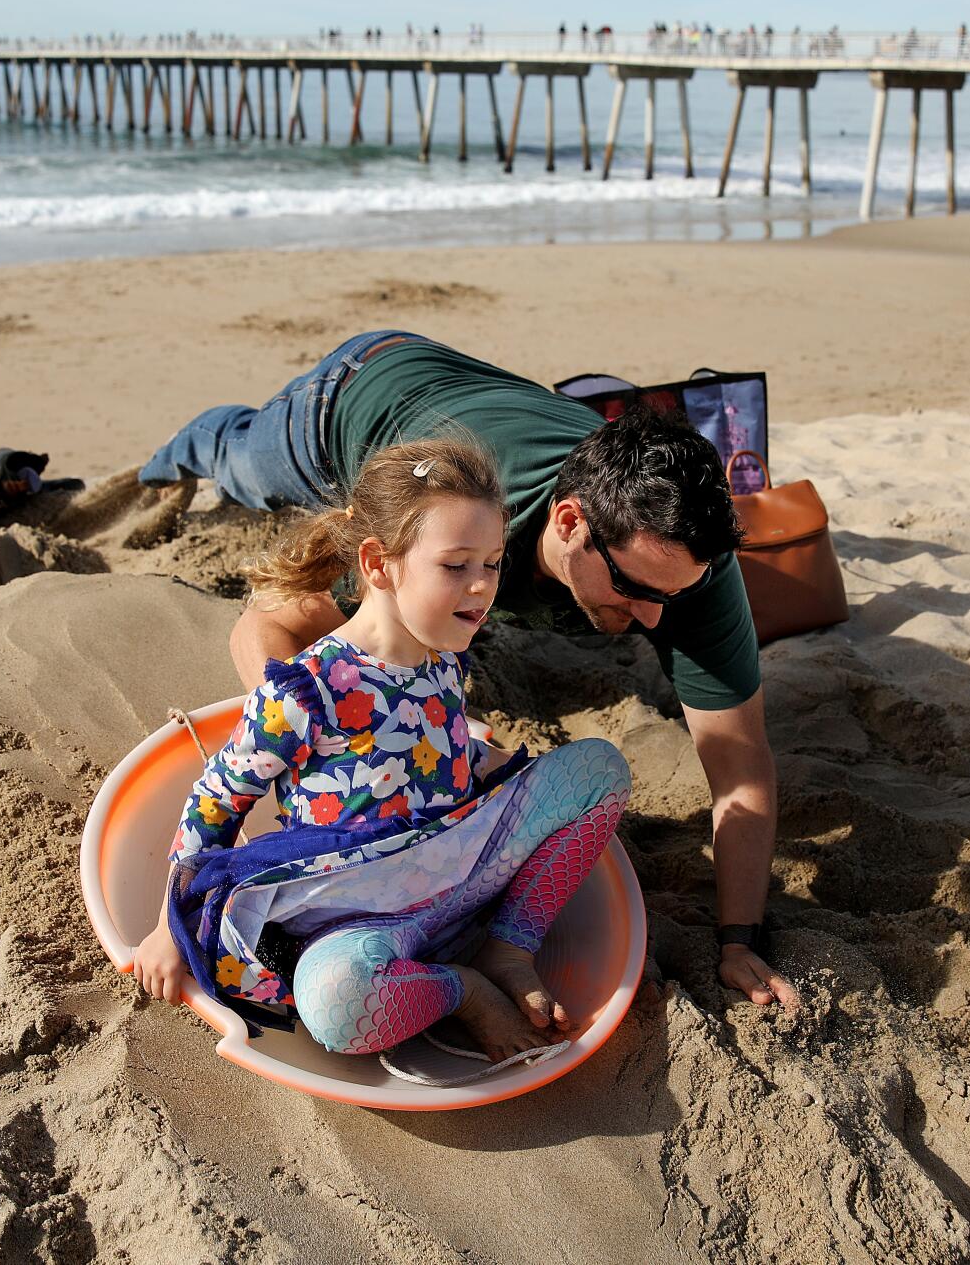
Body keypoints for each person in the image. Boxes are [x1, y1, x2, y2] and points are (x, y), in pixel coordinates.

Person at [139, 331, 800, 1009]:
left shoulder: (688, 562)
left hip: (473, 399)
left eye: (676, 594)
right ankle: (172, 455)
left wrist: (738, 939)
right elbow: (271, 623)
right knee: (242, 461)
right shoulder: (458, 527)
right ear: (568, 522)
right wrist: (323, 742)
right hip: (349, 400)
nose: (658, 621)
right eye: (637, 589)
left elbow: (742, 765)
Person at [133, 438, 633, 1062]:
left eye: (494, 563)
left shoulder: (446, 656)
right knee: (334, 1006)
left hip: (467, 878)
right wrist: (168, 928)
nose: (481, 588)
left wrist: (487, 768)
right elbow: (214, 802)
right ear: (378, 564)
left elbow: (427, 755)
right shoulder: (307, 690)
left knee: (600, 768)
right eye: (456, 566)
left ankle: (508, 946)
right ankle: (462, 988)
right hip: (364, 928)